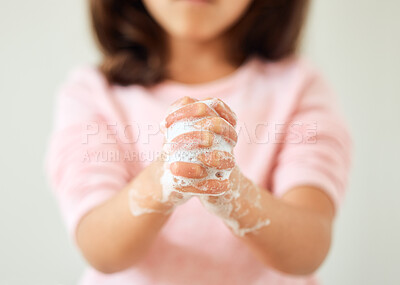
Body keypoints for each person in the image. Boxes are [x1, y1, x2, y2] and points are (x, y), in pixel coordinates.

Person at [45, 0, 352, 284]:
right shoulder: (93, 94)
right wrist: (164, 179)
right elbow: (100, 248)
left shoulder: (299, 88)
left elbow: (310, 245)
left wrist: (233, 193)